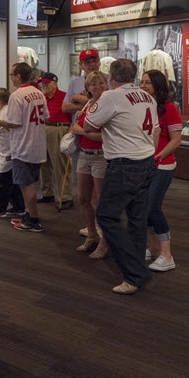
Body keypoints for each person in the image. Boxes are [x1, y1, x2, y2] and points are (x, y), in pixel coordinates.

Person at [84, 59, 158, 295]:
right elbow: (155, 131)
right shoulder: (148, 97)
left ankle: (135, 271)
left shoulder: (111, 97)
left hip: (124, 164)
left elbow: (87, 125)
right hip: (147, 161)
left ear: (111, 77)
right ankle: (134, 275)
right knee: (137, 219)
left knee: (106, 216)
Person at [0, 62, 48, 232]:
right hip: (37, 144)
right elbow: (45, 115)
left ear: (18, 76)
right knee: (28, 183)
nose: (10, 78)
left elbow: (14, 123)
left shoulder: (17, 95)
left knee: (26, 184)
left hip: (23, 145)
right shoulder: (39, 93)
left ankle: (34, 219)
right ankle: (29, 214)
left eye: (11, 75)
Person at [140, 70, 182, 272]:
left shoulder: (170, 108)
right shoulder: (144, 107)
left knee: (152, 207)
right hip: (146, 164)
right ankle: (152, 247)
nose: (143, 86)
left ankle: (167, 254)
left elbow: (176, 140)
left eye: (147, 82)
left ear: (157, 85)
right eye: (141, 82)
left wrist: (159, 156)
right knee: (144, 208)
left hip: (162, 165)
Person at [63, 49, 105, 236]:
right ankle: (91, 228)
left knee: (99, 190)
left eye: (93, 60)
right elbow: (65, 107)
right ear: (81, 65)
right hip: (79, 143)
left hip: (100, 146)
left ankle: (100, 226)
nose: (91, 64)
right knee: (82, 191)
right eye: (86, 62)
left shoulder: (107, 81)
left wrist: (82, 99)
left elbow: (104, 103)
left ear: (99, 61)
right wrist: (88, 103)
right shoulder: (75, 82)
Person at [72, 71, 109, 258]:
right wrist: (84, 130)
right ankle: (92, 234)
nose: (97, 87)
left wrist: (84, 131)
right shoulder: (88, 104)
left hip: (101, 156)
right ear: (87, 88)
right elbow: (74, 127)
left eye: (101, 83)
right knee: (83, 198)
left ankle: (104, 241)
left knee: (100, 201)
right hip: (84, 155)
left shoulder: (108, 104)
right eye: (93, 84)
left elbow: (105, 136)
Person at [0, 87, 25, 219]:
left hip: (9, 151)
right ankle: (19, 207)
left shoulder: (8, 112)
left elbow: (13, 128)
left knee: (3, 182)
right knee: (11, 182)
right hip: (2, 151)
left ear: (0, 100)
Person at [38, 72, 73, 209]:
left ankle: (65, 197)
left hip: (59, 129)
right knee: (44, 164)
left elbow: (72, 115)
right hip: (44, 128)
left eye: (47, 82)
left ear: (55, 83)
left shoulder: (64, 96)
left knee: (60, 165)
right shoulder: (43, 97)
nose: (44, 85)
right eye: (43, 83)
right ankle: (48, 193)